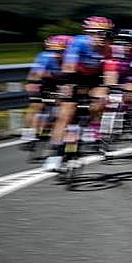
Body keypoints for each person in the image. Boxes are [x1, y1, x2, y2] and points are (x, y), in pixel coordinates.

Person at [43, 16, 113, 171]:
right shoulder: (78, 43)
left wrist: (110, 88)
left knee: (102, 99)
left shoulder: (107, 48)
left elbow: (109, 71)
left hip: (94, 77)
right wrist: (67, 85)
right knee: (65, 114)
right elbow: (69, 66)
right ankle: (55, 155)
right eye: (98, 33)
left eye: (105, 33)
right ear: (88, 33)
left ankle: (93, 129)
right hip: (74, 75)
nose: (102, 37)